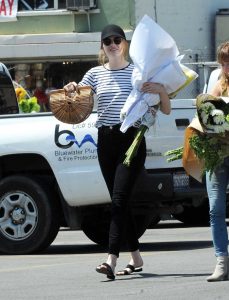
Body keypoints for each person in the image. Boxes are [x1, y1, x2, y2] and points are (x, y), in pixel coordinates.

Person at [64, 24, 171, 280]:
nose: (112, 44)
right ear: (102, 47)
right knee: (119, 200)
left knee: (119, 200)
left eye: (117, 40)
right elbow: (77, 94)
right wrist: (70, 88)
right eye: (107, 41)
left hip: (131, 141)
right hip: (106, 139)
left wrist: (162, 91)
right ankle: (136, 257)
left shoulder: (138, 72)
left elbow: (165, 109)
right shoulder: (94, 74)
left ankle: (110, 259)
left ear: (124, 44)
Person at [206, 41, 229, 282]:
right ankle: (221, 261)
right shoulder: (215, 77)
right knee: (215, 208)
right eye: (223, 60)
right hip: (215, 152)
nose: (226, 65)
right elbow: (204, 107)